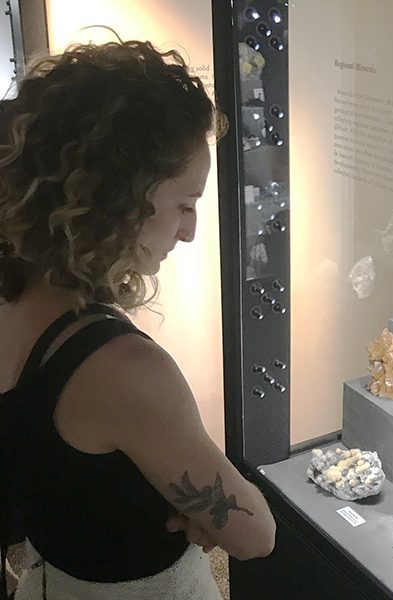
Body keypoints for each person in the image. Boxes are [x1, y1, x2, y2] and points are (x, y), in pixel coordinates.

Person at [0, 40, 276, 600]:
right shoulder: (125, 370)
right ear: (121, 197)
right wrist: (200, 500)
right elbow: (253, 534)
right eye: (185, 203)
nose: (191, 230)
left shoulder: (12, 294)